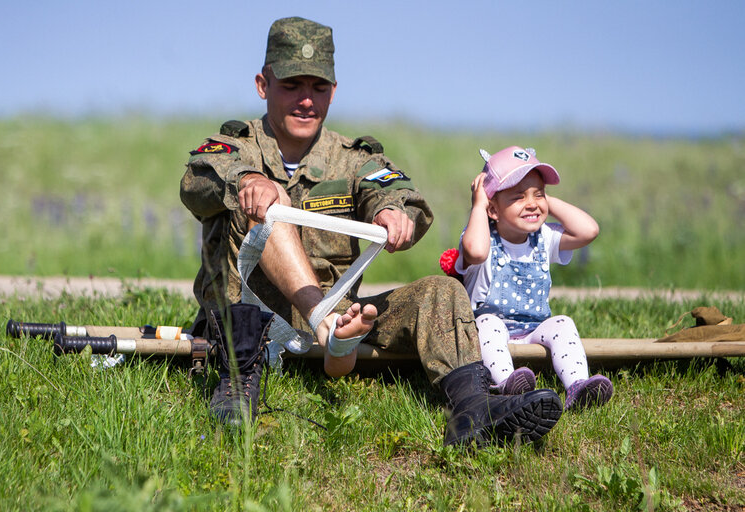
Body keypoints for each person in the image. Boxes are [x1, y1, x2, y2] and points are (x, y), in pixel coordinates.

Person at [179, 16, 563, 446]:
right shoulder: (235, 147)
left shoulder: (352, 159)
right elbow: (196, 182)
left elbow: (401, 195)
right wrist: (248, 182)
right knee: (266, 208)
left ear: (334, 91)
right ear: (262, 84)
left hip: (345, 326)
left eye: (319, 88)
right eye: (292, 85)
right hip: (247, 329)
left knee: (441, 291)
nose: (307, 100)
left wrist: (393, 213)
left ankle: (473, 408)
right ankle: (242, 381)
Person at [454, 146, 613, 410]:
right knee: (488, 322)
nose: (531, 203)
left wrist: (545, 202)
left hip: (532, 330)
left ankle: (577, 387)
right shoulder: (481, 236)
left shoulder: (544, 238)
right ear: (493, 209)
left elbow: (589, 231)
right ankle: (506, 384)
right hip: (486, 332)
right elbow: (476, 251)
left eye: (538, 194)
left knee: (562, 322)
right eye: (519, 196)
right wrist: (479, 206)